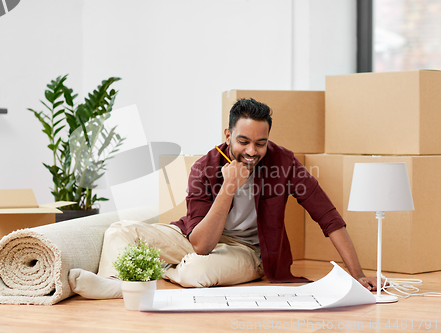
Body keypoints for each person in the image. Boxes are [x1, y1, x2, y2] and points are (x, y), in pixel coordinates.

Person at [68, 98, 377, 299]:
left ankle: (162, 270)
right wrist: (228, 188)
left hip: (249, 252)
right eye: (243, 141)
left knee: (195, 272)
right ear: (228, 135)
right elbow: (201, 243)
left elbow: (327, 216)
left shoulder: (283, 162)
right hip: (194, 236)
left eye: (261, 143)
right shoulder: (205, 167)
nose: (252, 151)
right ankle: (113, 283)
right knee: (120, 230)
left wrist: (358, 275)